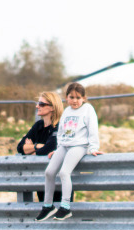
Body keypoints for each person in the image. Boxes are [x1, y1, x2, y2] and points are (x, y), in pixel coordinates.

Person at [17, 92, 80, 230]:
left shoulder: (60, 127)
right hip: (44, 180)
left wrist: (34, 147)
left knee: (67, 222)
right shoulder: (38, 126)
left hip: (60, 178)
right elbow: (20, 147)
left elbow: (49, 149)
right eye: (38, 103)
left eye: (42, 104)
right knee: (50, 218)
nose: (38, 106)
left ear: (52, 107)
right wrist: (38, 147)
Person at [35, 82, 101, 222]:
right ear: (66, 97)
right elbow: (60, 132)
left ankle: (65, 207)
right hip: (64, 146)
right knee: (49, 172)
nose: (75, 101)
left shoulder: (88, 109)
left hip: (79, 146)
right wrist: (57, 148)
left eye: (78, 97)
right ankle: (48, 206)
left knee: (64, 172)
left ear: (84, 98)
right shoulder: (67, 111)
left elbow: (93, 128)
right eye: (71, 97)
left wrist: (93, 148)